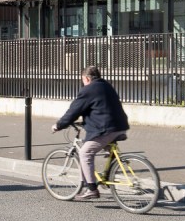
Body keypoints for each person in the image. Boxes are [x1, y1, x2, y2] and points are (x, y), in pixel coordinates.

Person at [52, 65, 129, 201]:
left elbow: (74, 110)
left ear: (87, 78)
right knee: (104, 145)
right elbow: (100, 108)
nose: (83, 83)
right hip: (120, 126)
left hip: (106, 128)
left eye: (83, 80)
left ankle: (91, 189)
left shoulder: (89, 89)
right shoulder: (106, 86)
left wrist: (59, 125)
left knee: (85, 153)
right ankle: (107, 174)